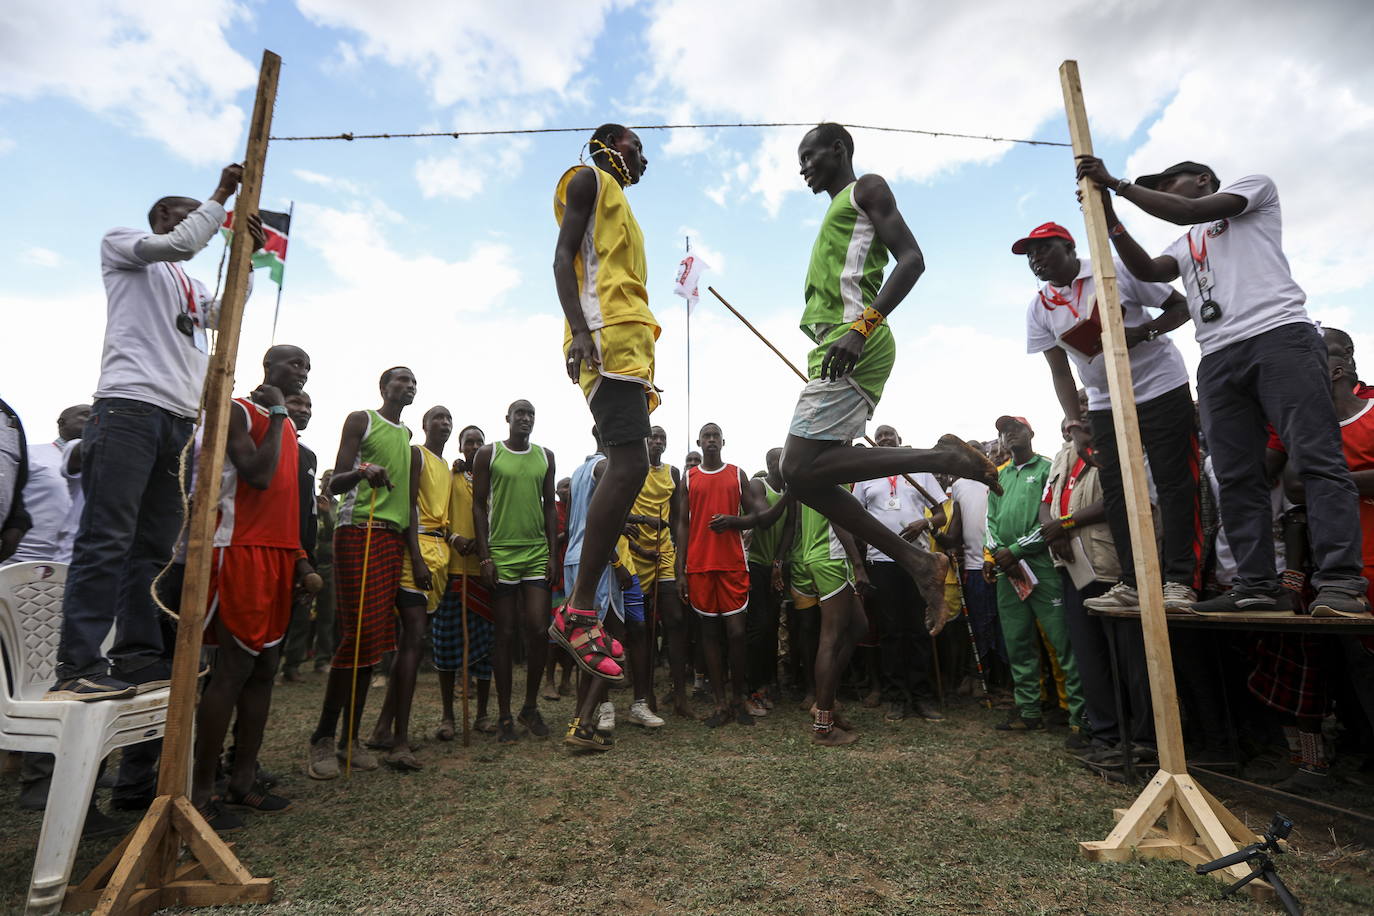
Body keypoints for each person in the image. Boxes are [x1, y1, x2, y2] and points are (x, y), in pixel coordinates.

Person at [1076, 156, 1368, 617]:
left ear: (1203, 179)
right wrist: (1109, 215)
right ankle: (1256, 585)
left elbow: (1187, 211)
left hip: (1278, 335)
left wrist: (1117, 184)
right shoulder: (1184, 242)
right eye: (1159, 186)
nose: (1165, 190)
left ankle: (1341, 583)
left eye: (1170, 181)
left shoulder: (1253, 190)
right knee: (1235, 475)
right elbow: (1150, 270)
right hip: (1216, 356)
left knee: (1316, 458)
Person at [49, 165, 265, 700]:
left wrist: (247, 260)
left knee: (153, 549)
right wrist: (222, 194)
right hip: (129, 408)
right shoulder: (123, 244)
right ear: (165, 214)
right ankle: (77, 665)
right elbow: (183, 244)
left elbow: (226, 315)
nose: (208, 222)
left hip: (179, 421)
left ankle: (137, 657)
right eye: (196, 212)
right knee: (107, 539)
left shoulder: (190, 285)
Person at [778, 123, 1000, 624]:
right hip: (835, 344)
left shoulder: (866, 189)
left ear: (839, 149)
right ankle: (918, 562)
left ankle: (941, 460)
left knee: (797, 470)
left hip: (856, 339)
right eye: (801, 160)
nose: (803, 167)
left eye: (810, 156)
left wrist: (862, 327)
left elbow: (912, 259)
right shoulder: (836, 212)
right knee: (808, 476)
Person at [1013, 221, 1200, 612]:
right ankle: (1133, 581)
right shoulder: (1039, 307)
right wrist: (1074, 423)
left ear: (1069, 247)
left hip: (1160, 385)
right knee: (1116, 490)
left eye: (1043, 249)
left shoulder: (1112, 269)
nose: (1035, 259)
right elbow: (1060, 372)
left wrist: (1144, 331)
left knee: (1173, 482)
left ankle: (1181, 581)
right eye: (1029, 255)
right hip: (1103, 401)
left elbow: (1181, 306)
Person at [549, 123, 658, 689]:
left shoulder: (622, 204)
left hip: (629, 343)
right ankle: (578, 609)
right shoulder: (587, 179)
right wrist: (578, 330)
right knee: (632, 464)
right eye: (638, 147)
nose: (644, 159)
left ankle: (581, 607)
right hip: (604, 337)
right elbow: (561, 259)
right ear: (613, 143)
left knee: (630, 464)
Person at [192, 345, 314, 829]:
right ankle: (202, 790)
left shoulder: (288, 431)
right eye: (294, 363)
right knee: (232, 669)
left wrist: (299, 559)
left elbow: (286, 501)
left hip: (279, 553)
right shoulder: (239, 411)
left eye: (307, 366)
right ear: (268, 367)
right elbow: (258, 476)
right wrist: (279, 411)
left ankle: (243, 780)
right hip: (241, 546)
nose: (302, 371)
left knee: (265, 668)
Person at [307, 367, 415, 780]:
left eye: (413, 381)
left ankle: (349, 740)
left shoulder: (407, 437)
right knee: (358, 634)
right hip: (358, 530)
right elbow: (334, 483)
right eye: (401, 379)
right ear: (383, 387)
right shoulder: (361, 420)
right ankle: (322, 737)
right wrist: (362, 470)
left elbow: (409, 501)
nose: (409, 385)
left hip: (392, 538)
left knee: (375, 638)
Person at [985, 416, 1086, 734]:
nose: (1009, 434)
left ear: (1031, 433)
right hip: (1008, 571)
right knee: (1018, 642)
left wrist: (1015, 550)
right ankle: (1029, 711)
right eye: (1004, 431)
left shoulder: (1047, 469)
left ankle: (1079, 717)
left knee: (1062, 642)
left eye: (1015, 428)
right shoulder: (998, 476)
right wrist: (999, 553)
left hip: (1041, 566)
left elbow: (1050, 518)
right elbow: (989, 520)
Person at [369, 406, 453, 769]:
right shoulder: (416, 453)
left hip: (440, 553)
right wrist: (416, 557)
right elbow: (409, 503)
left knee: (413, 643)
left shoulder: (446, 466)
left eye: (449, 418)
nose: (444, 423)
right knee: (413, 641)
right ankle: (400, 742)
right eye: (438, 418)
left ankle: (382, 729)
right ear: (424, 425)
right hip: (415, 551)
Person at [472, 400, 557, 743]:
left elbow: (550, 507)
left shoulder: (545, 456)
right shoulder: (488, 454)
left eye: (530, 414)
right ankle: (505, 713)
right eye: (519, 413)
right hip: (501, 553)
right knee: (504, 634)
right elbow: (478, 506)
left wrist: (552, 554)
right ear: (507, 418)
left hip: (536, 552)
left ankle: (530, 707)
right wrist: (485, 557)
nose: (525, 418)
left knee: (538, 629)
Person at [674, 423, 768, 727]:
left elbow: (755, 516)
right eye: (707, 435)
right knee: (709, 634)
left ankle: (738, 698)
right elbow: (682, 524)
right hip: (699, 565)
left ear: (723, 442)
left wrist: (733, 521)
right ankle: (719, 703)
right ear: (699, 442)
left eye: (716, 435)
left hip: (732, 563)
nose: (711, 439)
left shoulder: (737, 474)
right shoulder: (689, 477)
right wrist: (680, 569)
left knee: (737, 633)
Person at [853, 425, 946, 722]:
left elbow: (941, 514)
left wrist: (924, 524)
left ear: (899, 441)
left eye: (889, 435)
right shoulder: (866, 475)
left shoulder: (918, 471)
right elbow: (854, 516)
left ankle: (922, 696)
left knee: (918, 628)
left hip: (917, 561)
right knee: (890, 630)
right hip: (881, 561)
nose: (883, 438)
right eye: (879, 436)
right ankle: (895, 697)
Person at [433, 425, 497, 738]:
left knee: (485, 647)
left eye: (479, 442)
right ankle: (448, 716)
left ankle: (482, 715)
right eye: (468, 442)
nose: (473, 446)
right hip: (454, 569)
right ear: (460, 447)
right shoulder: (450, 476)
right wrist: (454, 537)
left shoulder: (494, 480)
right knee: (446, 644)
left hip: (485, 572)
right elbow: (436, 516)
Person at [626, 425, 693, 717]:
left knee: (675, 620)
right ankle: (645, 695)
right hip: (634, 553)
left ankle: (680, 696)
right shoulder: (633, 469)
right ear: (644, 441)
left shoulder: (673, 473)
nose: (657, 441)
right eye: (653, 436)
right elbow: (619, 510)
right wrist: (640, 523)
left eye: (662, 437)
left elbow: (678, 519)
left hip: (664, 552)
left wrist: (679, 559)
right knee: (640, 628)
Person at [7, 405, 90, 565]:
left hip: (74, 563)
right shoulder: (30, 455)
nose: (93, 420)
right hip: (19, 561)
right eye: (86, 414)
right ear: (62, 422)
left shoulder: (106, 470)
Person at [742, 448, 787, 714]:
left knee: (771, 626)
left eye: (780, 460)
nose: (775, 465)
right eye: (771, 461)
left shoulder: (789, 490)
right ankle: (752, 688)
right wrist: (790, 496)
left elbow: (790, 528)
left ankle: (769, 683)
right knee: (757, 627)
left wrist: (778, 563)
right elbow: (765, 520)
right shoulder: (759, 485)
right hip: (755, 564)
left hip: (775, 566)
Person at [280, 392, 317, 682]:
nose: (303, 410)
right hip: (271, 548)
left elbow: (309, 511)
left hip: (302, 553)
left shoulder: (308, 455)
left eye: (308, 406)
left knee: (296, 618)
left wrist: (307, 559)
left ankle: (289, 667)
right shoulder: (265, 442)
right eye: (296, 403)